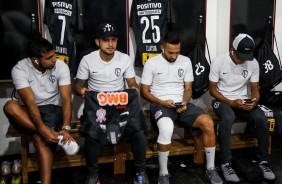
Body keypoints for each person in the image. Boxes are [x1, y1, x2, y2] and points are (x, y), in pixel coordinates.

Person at [140, 31, 222, 184]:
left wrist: (184, 102)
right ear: (162, 48)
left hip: (181, 104)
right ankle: (163, 174)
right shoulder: (152, 63)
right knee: (166, 127)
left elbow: (188, 88)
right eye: (171, 52)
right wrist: (162, 102)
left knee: (208, 123)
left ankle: (210, 169)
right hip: (160, 104)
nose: (174, 56)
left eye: (177, 52)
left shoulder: (185, 61)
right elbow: (144, 91)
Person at [73, 22, 149, 184]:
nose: (110, 44)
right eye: (106, 40)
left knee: (138, 131)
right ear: (97, 42)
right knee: (92, 134)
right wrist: (82, 91)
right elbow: (77, 85)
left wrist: (134, 89)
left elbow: (132, 83)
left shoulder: (124, 58)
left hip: (119, 106)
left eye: (113, 40)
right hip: (97, 107)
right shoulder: (88, 60)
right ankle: (93, 175)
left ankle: (140, 173)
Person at [3, 37, 77, 184]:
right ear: (35, 60)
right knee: (10, 106)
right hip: (30, 112)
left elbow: (66, 99)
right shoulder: (19, 69)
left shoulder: (61, 66)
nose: (54, 60)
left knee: (39, 138)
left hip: (53, 109)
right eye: (49, 58)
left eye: (54, 55)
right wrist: (42, 128)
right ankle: (56, 136)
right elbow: (30, 103)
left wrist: (66, 127)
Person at [209, 33, 276, 183]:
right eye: (240, 56)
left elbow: (255, 88)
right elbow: (212, 89)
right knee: (228, 118)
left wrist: (255, 100)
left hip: (243, 100)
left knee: (261, 118)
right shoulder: (219, 62)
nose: (242, 59)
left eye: (246, 56)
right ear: (232, 49)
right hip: (222, 100)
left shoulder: (252, 62)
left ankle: (263, 161)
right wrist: (230, 102)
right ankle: (226, 163)